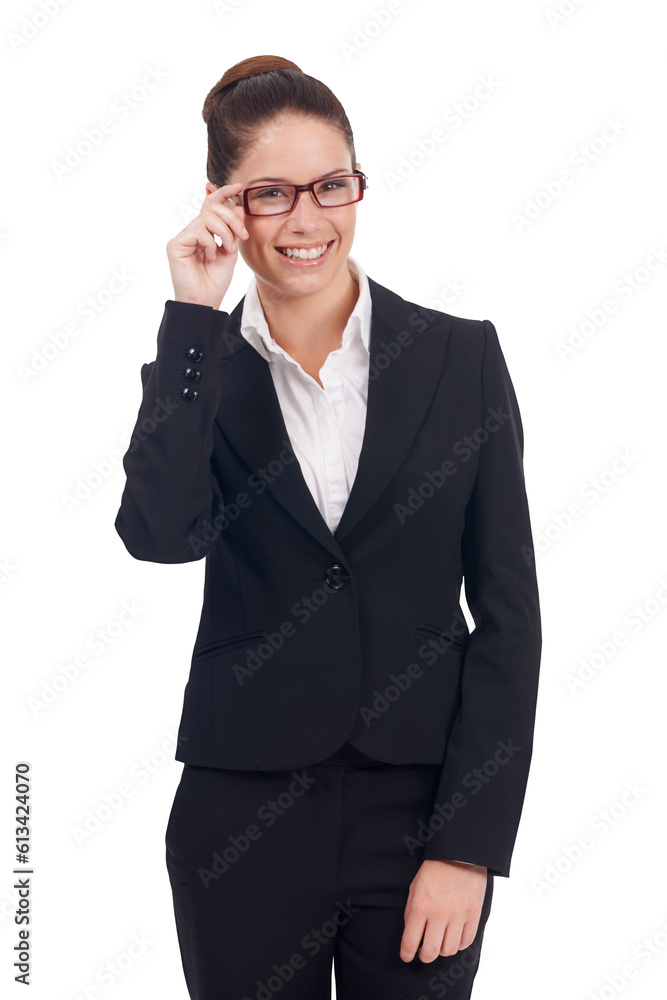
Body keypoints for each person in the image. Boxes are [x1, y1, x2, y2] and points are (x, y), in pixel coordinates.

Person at [114, 54, 542, 999]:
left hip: (421, 815)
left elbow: (509, 615)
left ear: (357, 185)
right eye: (271, 193)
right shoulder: (204, 368)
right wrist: (191, 316)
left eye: (331, 185)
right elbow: (158, 532)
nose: (308, 220)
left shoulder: (459, 359)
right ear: (226, 205)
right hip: (241, 819)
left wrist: (468, 847)